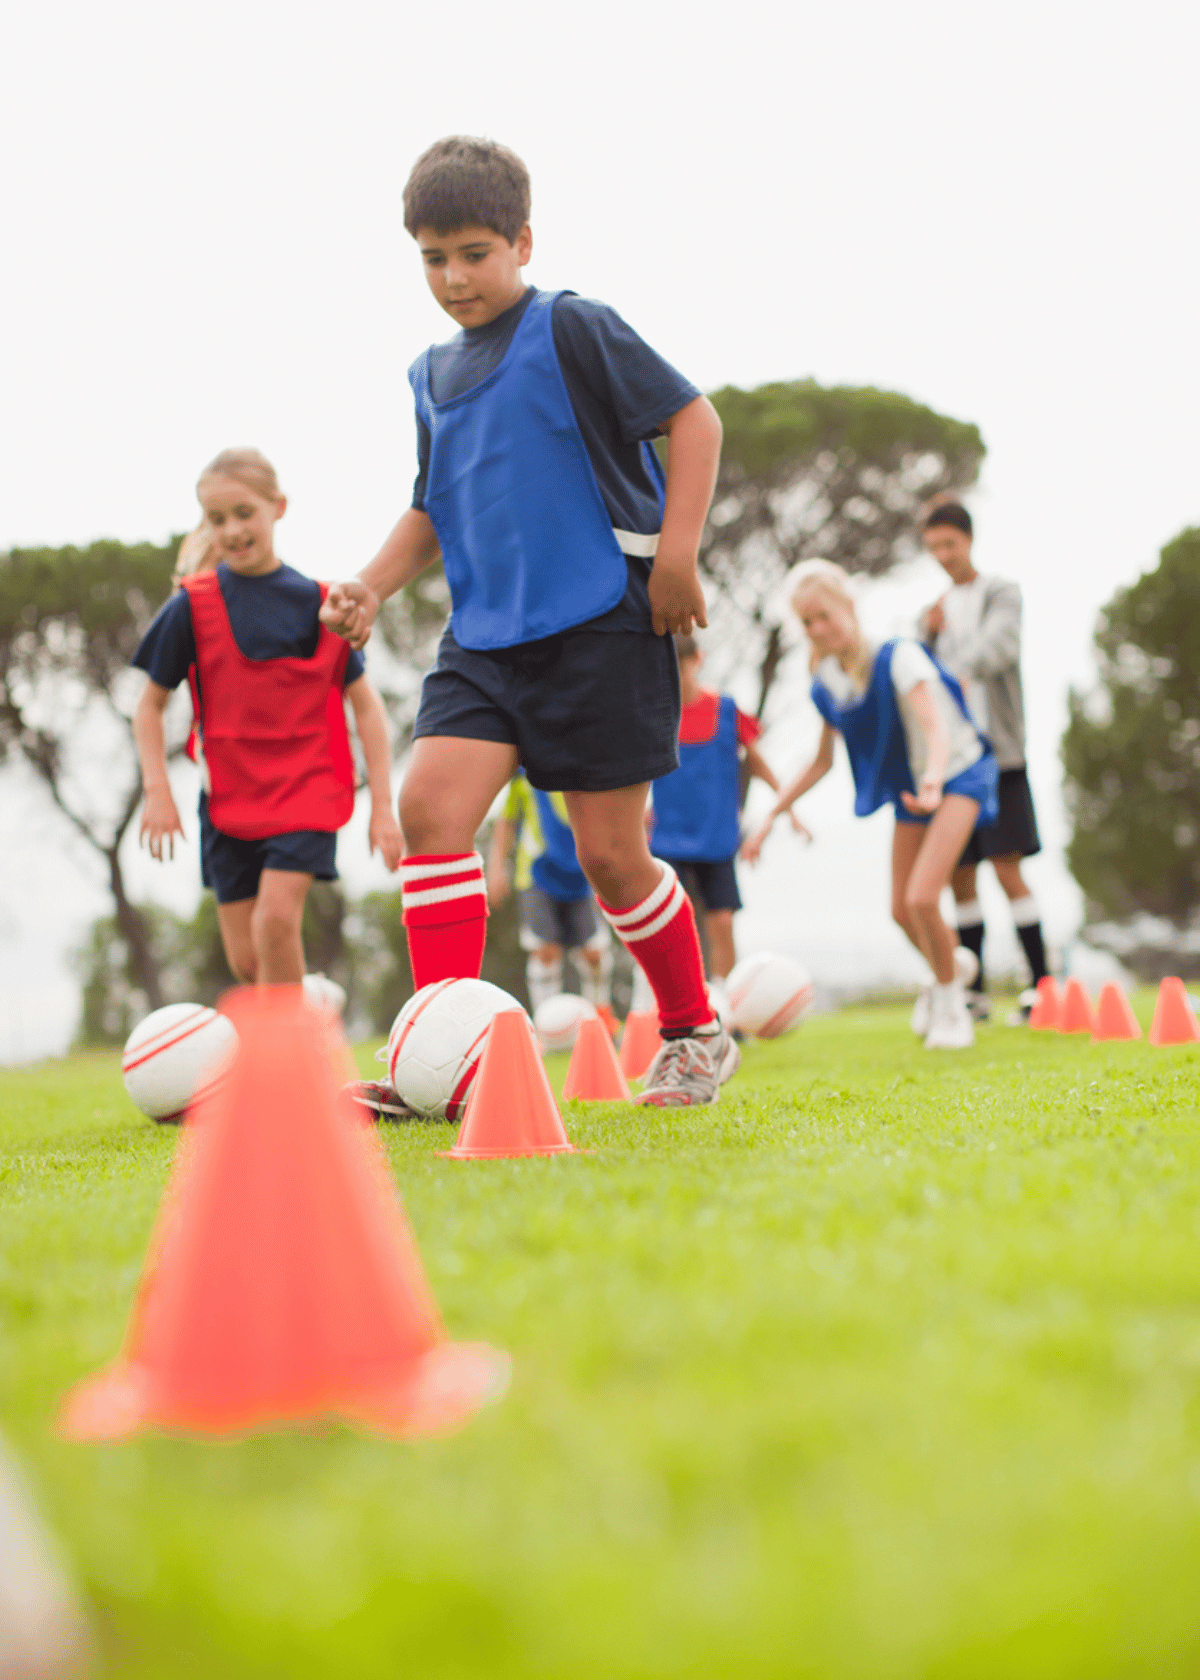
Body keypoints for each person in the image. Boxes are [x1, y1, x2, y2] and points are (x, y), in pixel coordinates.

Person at [321, 134, 738, 1107]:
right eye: (433, 256)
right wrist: (375, 584)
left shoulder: (574, 328)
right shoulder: (428, 376)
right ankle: (441, 1061)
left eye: (474, 252)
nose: (454, 276)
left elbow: (695, 421)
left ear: (523, 242)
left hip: (599, 625)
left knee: (608, 857)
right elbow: (435, 504)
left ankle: (693, 1033)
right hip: (484, 642)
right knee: (430, 813)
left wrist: (675, 557)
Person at [132, 447, 404, 995]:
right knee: (250, 961)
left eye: (244, 513)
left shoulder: (323, 604)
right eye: (217, 518)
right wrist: (157, 791)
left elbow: (367, 705)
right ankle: (311, 1011)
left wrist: (383, 807)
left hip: (307, 792)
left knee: (276, 922)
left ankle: (292, 1073)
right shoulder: (190, 606)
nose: (231, 529)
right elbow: (149, 705)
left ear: (277, 507)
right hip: (229, 799)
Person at [742, 560, 998, 1049]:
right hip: (913, 791)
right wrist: (771, 818)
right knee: (901, 911)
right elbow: (821, 763)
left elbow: (935, 726)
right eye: (807, 623)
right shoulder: (829, 681)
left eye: (824, 615)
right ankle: (946, 970)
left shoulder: (899, 655)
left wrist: (933, 779)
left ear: (849, 605)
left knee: (924, 897)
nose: (818, 629)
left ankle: (952, 1007)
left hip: (959, 773)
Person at [920, 502, 1048, 1023]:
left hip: (1000, 755)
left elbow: (999, 647)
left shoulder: (1001, 592)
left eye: (949, 544)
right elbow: (917, 676)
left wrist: (948, 666)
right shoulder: (932, 612)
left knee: (1006, 867)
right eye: (933, 549)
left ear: (968, 540)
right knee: (961, 875)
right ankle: (974, 994)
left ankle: (1040, 984)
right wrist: (927, 639)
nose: (943, 556)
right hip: (955, 762)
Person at [650, 633, 804, 987]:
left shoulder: (726, 711)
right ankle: (675, 998)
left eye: (681, 666)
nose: (675, 675)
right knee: (670, 923)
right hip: (668, 839)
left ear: (697, 661)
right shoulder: (657, 715)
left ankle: (728, 1001)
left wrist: (788, 806)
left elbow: (758, 763)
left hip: (716, 838)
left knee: (722, 921)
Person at [487, 771, 615, 1024]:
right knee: (545, 950)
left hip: (585, 871)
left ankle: (600, 1015)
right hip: (536, 871)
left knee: (594, 952)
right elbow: (507, 820)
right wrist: (496, 867)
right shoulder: (523, 773)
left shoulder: (589, 766)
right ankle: (545, 1023)